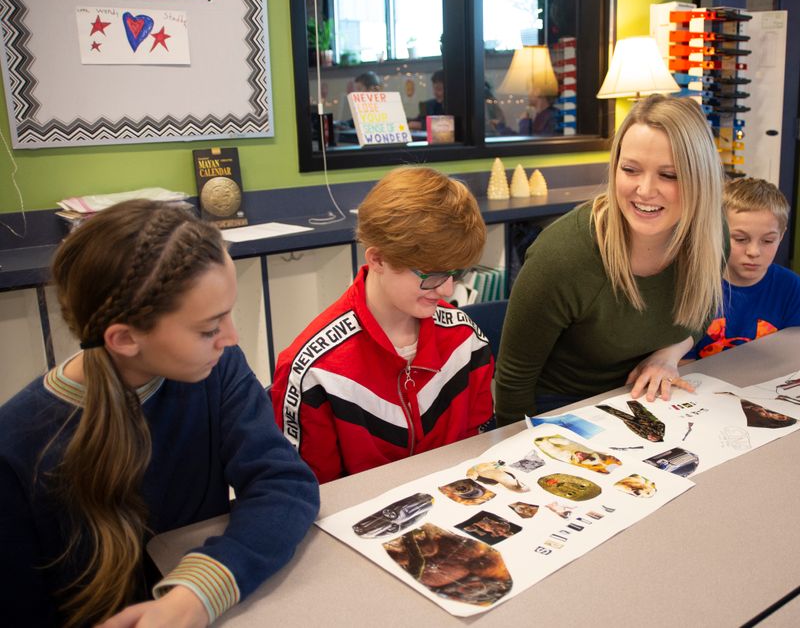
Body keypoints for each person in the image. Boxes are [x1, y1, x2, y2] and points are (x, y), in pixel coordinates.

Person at [0, 200, 319, 627]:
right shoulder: (16, 447)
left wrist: (200, 591)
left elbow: (284, 483)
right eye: (209, 328)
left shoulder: (218, 367)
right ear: (125, 338)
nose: (231, 336)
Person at [495, 94, 725, 426]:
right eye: (630, 170)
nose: (645, 190)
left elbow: (701, 312)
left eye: (669, 175)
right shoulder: (563, 255)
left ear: (700, 179)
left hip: (645, 397)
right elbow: (514, 379)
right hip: (562, 408)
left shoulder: (713, 235)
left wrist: (669, 354)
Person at [271, 167, 495, 483]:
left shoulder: (465, 339)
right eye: (432, 276)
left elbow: (479, 448)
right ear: (377, 260)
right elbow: (311, 495)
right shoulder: (316, 372)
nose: (447, 291)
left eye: (456, 274)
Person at [689, 177, 800, 359]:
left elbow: (789, 358)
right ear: (717, 231)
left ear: (781, 236)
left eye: (767, 241)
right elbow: (680, 363)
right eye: (740, 239)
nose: (753, 252)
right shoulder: (694, 284)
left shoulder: (792, 289)